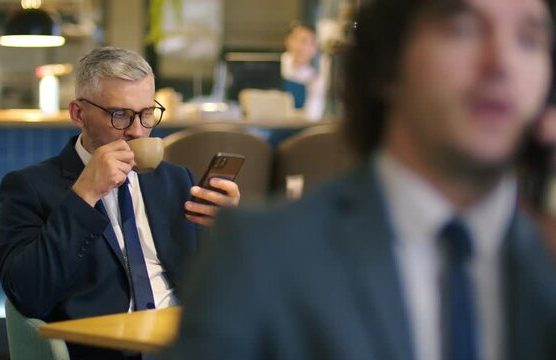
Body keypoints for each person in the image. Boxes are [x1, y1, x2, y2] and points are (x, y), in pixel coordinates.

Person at [166, 0, 556, 359]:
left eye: (529, 38)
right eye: (464, 29)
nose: (503, 62)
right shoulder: (261, 256)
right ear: (386, 64)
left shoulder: (541, 263)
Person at [0, 47, 240, 360]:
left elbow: (214, 285)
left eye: (147, 113)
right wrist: (84, 195)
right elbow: (28, 296)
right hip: (105, 351)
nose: (138, 130)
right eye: (120, 115)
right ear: (78, 113)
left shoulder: (176, 181)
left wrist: (232, 230)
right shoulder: (30, 187)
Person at [281, 23, 328, 121]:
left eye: (311, 43)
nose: (305, 47)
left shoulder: (315, 80)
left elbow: (312, 117)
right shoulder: (274, 65)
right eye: (302, 41)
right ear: (287, 40)